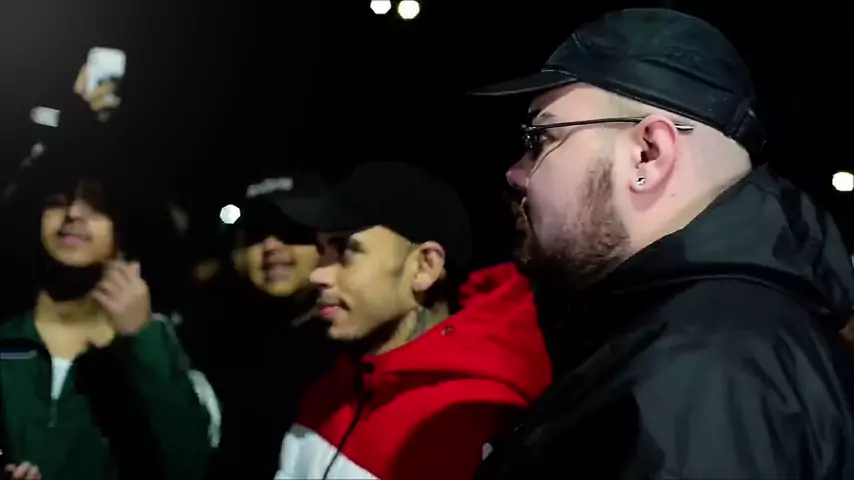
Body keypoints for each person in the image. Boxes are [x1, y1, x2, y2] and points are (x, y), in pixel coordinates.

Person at [470, 8, 854, 479]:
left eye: (539, 139)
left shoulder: (701, 377)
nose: (515, 173)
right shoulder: (724, 343)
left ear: (647, 154)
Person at [274, 162, 551, 480]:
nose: (318, 274)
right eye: (322, 250)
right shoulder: (328, 380)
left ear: (424, 267)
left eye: (346, 250)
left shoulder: (468, 423)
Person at [0, 136, 218, 480]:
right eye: (56, 202)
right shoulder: (7, 336)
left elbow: (188, 465)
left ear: (125, 229)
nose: (73, 213)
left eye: (97, 205)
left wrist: (142, 339)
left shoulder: (156, 345)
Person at [185, 172, 340, 480]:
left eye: (290, 230)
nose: (270, 245)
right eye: (255, 234)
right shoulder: (209, 342)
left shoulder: (356, 349)